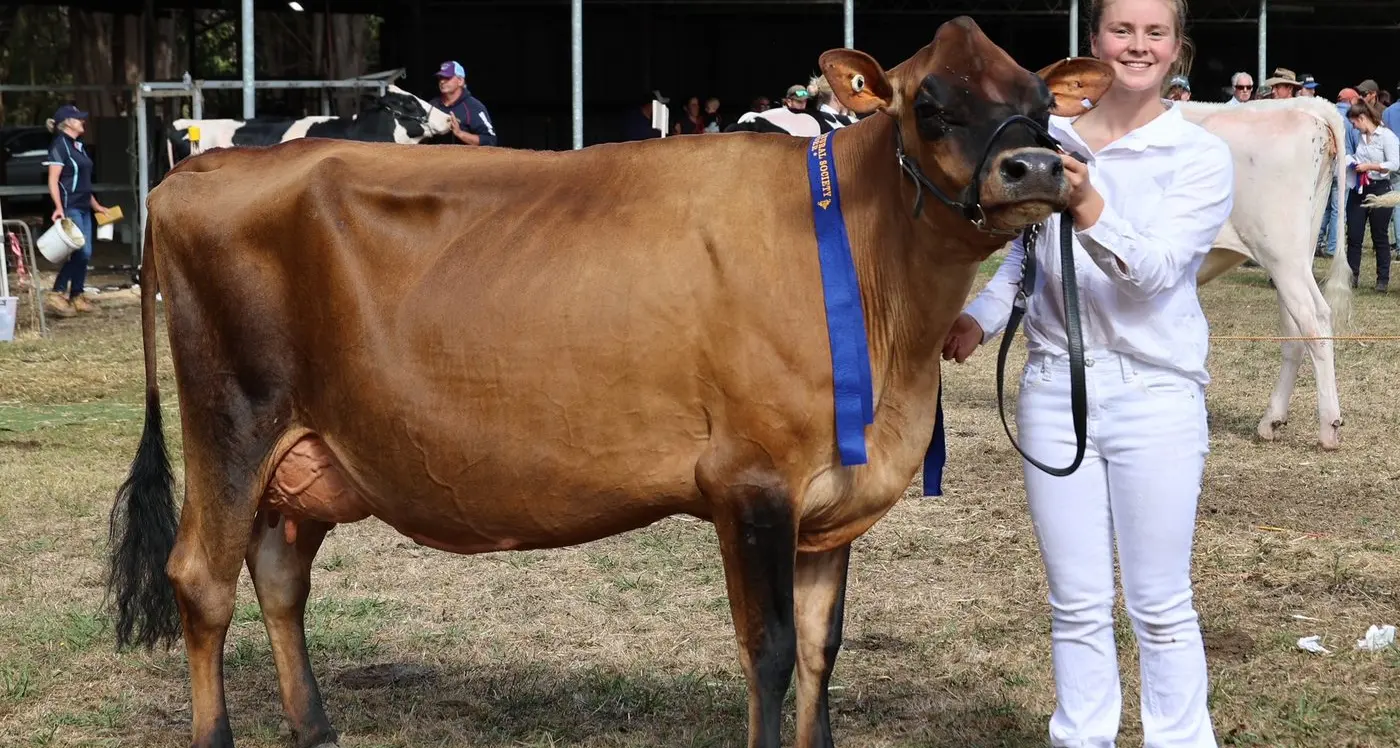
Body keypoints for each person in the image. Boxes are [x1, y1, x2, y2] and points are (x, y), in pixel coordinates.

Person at [942, 0, 1234, 746]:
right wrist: (982, 317)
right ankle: (1082, 737)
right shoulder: (1052, 139)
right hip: (1053, 388)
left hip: (1155, 394)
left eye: (1155, 33)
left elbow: (1159, 274)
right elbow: (1024, 252)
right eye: (1122, 30)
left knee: (1160, 602)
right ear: (1095, 43)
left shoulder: (1197, 154)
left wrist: (1089, 203)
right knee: (1074, 601)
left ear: (1178, 50)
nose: (1137, 45)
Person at [43, 103, 110, 318]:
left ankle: (77, 295)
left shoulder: (78, 146)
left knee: (84, 254)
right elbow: (53, 181)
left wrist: (96, 206)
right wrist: (59, 208)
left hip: (83, 207)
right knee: (83, 252)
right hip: (70, 207)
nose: (83, 121)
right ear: (67, 123)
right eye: (79, 118)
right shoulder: (59, 146)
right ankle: (57, 292)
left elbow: (83, 182)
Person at [1342, 100, 1398, 291]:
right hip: (1359, 188)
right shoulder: (1359, 137)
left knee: (1379, 236)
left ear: (1362, 118)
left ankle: (1382, 279)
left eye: (1354, 123)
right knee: (1354, 235)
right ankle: (1352, 276)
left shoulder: (1386, 137)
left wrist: (1370, 167)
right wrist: (1353, 164)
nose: (1353, 127)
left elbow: (1394, 164)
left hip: (1380, 187)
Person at [429, 60, 497, 146]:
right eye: (440, 78)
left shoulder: (474, 107)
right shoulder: (432, 105)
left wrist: (460, 133)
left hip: (466, 159)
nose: (442, 81)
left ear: (460, 81)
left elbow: (490, 140)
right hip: (435, 158)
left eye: (447, 78)